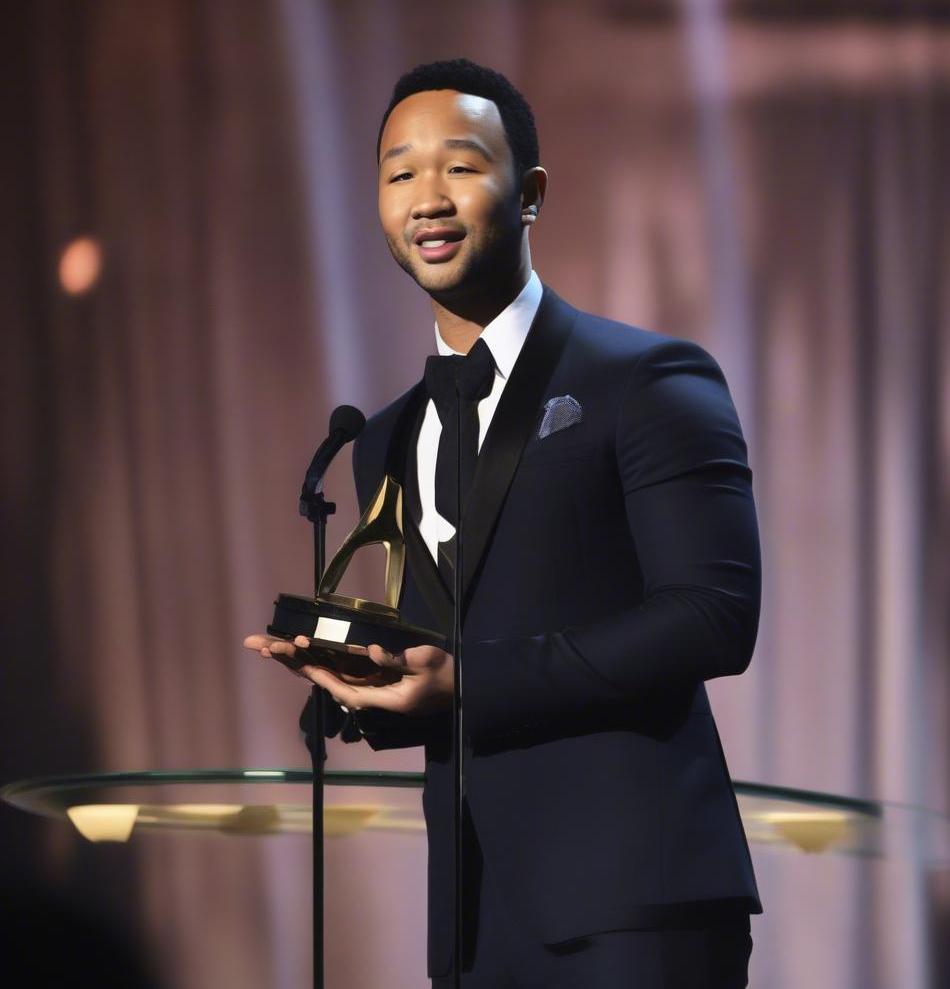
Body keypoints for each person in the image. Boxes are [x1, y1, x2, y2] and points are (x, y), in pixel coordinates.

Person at [245, 58, 761, 988]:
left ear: (529, 194)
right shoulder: (386, 437)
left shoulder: (645, 378)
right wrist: (366, 690)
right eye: (400, 174)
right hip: (472, 921)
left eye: (460, 167)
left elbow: (714, 615)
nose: (428, 198)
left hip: (635, 907)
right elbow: (454, 655)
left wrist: (468, 681)